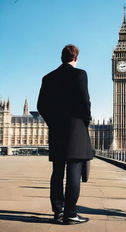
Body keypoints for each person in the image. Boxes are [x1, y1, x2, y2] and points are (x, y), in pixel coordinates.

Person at [37, 44, 94, 225]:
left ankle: (58, 211)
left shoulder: (48, 78)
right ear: (75, 58)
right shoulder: (80, 74)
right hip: (76, 129)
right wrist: (85, 119)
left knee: (57, 173)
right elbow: (85, 101)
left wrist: (53, 122)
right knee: (74, 172)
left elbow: (41, 106)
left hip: (57, 131)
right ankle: (70, 213)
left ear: (61, 57)